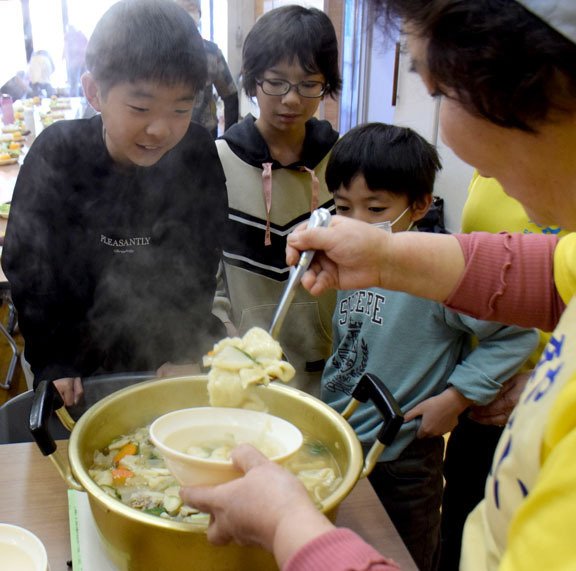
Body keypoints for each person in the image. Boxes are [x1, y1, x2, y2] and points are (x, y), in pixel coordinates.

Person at [181, 1, 576, 569]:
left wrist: (287, 523)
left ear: (535, 90)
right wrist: (387, 254)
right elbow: (546, 271)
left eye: (444, 91)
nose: (458, 148)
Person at [322, 123, 538, 570]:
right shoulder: (347, 258)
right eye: (344, 208)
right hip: (342, 437)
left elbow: (517, 336)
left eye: (375, 208)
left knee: (406, 556)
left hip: (404, 455)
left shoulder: (440, 269)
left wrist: (456, 398)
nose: (355, 224)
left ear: (419, 206)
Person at [2, 0, 227, 407]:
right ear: (94, 92)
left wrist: (187, 349)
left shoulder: (195, 151)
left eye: (181, 108)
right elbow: (28, 268)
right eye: (140, 108)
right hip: (74, 362)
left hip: (165, 356)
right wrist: (52, 360)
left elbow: (201, 260)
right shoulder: (57, 154)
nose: (160, 129)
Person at [439, 173, 569, 570]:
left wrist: (548, 380)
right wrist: (386, 254)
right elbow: (530, 271)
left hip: (540, 403)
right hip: (482, 396)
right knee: (460, 525)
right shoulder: (495, 171)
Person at [212, 5, 341, 397]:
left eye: (308, 84)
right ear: (252, 83)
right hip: (247, 367)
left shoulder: (342, 162)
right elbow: (206, 268)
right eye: (276, 82)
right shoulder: (219, 161)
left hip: (329, 365)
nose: (291, 99)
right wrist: (224, 333)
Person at [174, 0, 238, 137]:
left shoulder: (212, 52)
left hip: (205, 134)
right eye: (179, 9)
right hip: (169, 135)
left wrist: (230, 139)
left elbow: (230, 95)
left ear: (199, 14)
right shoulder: (157, 52)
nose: (185, 14)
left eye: (191, 7)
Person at [63, 24, 87, 97]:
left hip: (74, 63)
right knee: (85, 83)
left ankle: (75, 100)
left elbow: (66, 49)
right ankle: (86, 101)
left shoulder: (68, 37)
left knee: (74, 83)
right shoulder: (81, 35)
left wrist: (66, 60)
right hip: (83, 62)